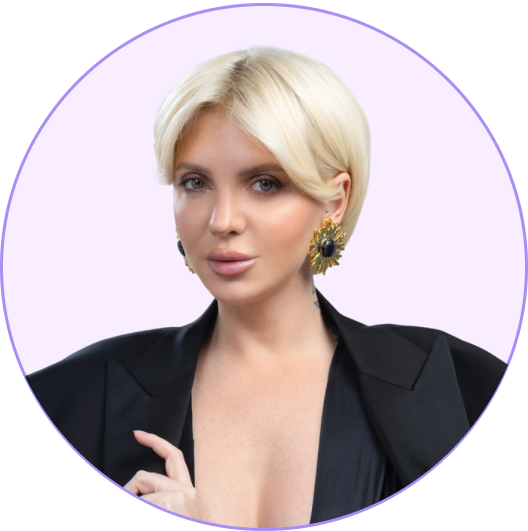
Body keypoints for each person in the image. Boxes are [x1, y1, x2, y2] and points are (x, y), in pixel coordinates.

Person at [27, 46, 507, 527]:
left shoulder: (465, 388)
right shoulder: (67, 397)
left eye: (265, 184)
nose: (222, 221)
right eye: (195, 182)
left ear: (334, 201)